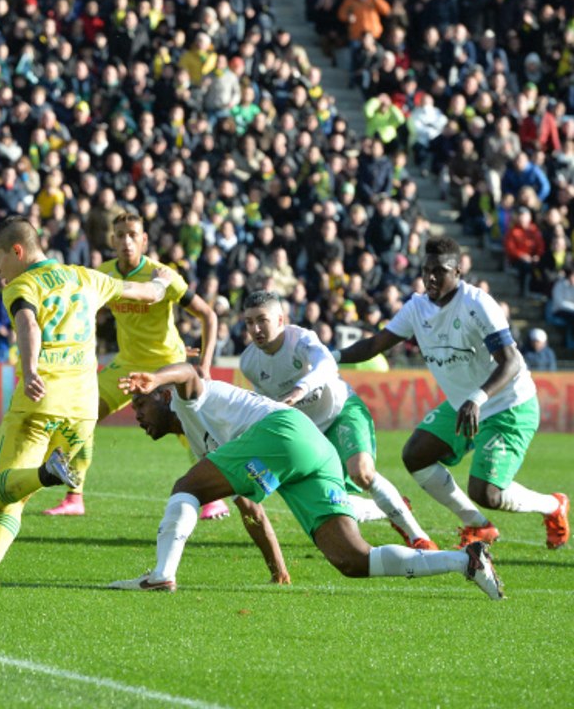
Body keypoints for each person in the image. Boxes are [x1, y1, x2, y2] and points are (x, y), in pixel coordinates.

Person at [107, 363, 504, 600]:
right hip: (313, 448)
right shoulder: (203, 444)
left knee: (186, 489)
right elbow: (250, 507)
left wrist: (154, 376)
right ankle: (464, 560)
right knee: (353, 560)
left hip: (283, 431)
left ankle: (160, 576)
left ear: (161, 397)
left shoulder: (185, 400)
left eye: (141, 403)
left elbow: (189, 372)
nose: (137, 415)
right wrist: (276, 565)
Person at [0, 216, 173, 598]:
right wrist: (162, 281)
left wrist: (29, 368)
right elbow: (146, 293)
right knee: (18, 493)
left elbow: (28, 324)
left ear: (18, 251)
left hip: (40, 401)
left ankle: (47, 474)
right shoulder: (86, 277)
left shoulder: (22, 285)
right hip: (83, 411)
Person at [336, 236, 568, 550]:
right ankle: (477, 525)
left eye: (440, 271)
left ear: (457, 271)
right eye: (426, 270)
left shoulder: (477, 304)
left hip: (508, 405)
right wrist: (331, 356)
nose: (430, 277)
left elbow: (511, 361)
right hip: (466, 403)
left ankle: (553, 506)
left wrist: (477, 398)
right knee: (416, 455)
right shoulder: (417, 307)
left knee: (486, 492)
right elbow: (374, 345)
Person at [42, 213, 228, 520]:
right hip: (126, 364)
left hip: (167, 364)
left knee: (190, 428)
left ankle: (216, 497)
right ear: (112, 240)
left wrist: (204, 366)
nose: (127, 241)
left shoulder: (164, 276)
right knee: (83, 415)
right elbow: (74, 305)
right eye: (120, 235)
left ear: (144, 240)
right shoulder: (104, 274)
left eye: (133, 235)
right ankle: (74, 496)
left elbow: (208, 315)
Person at [240, 291, 436, 549]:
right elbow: (265, 406)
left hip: (341, 410)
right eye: (249, 322)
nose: (255, 329)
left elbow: (327, 365)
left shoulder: (301, 339)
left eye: (261, 320)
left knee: (362, 473)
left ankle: (419, 539)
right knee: (332, 501)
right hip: (309, 433)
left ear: (280, 319)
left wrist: (301, 388)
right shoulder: (249, 362)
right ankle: (392, 507)